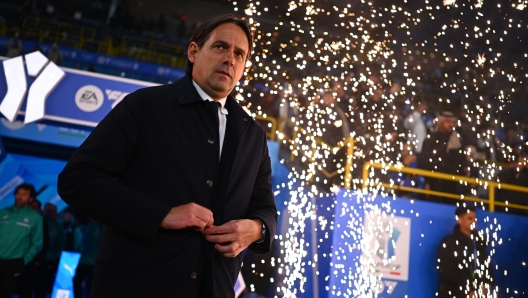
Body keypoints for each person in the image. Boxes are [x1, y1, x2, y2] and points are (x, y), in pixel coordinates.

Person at [58, 13, 278, 297]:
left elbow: (266, 209)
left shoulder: (254, 135)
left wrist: (256, 229)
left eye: (239, 54)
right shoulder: (144, 106)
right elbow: (77, 180)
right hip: (136, 287)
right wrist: (161, 215)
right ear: (193, 51)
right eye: (221, 47)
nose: (230, 59)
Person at [436, 205, 495, 298]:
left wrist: (485, 287)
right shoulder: (448, 243)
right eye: (469, 218)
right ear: (459, 219)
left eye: (475, 218)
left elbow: (488, 269)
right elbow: (446, 270)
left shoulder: (479, 243)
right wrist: (468, 289)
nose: (473, 221)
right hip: (454, 294)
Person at [0, 183, 44, 298]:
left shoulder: (35, 218)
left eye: (24, 194)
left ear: (31, 198)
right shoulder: (4, 212)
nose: (20, 197)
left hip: (15, 261)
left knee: (4, 294)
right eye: (18, 193)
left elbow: (37, 243)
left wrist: (24, 260)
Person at [418, 111, 469, 202]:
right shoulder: (431, 139)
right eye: (448, 122)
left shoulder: (457, 140)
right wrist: (427, 181)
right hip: (434, 184)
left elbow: (462, 161)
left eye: (453, 122)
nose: (451, 125)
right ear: (441, 123)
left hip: (453, 186)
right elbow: (424, 162)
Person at [35, 203, 65, 298]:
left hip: (49, 258)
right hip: (35, 255)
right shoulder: (40, 221)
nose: (51, 213)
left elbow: (60, 243)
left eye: (53, 211)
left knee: (44, 281)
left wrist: (56, 256)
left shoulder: (58, 227)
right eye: (49, 210)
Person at [73, 217, 103, 298]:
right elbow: (81, 243)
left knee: (91, 285)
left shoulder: (100, 225)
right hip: (84, 260)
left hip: (95, 262)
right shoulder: (85, 225)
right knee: (77, 281)